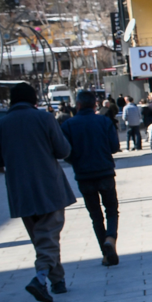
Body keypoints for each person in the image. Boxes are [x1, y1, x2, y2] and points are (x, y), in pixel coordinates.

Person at [0, 81, 76, 302]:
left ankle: (58, 282)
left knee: (42, 238)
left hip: (20, 191)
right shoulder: (44, 119)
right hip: (49, 187)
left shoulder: (0, 125)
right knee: (49, 236)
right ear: (34, 99)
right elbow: (64, 150)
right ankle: (40, 278)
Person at [60, 89, 121, 266]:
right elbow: (114, 146)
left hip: (84, 175)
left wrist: (77, 161)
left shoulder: (69, 125)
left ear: (78, 105)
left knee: (95, 215)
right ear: (95, 104)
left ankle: (105, 252)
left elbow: (65, 152)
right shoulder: (104, 121)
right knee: (111, 209)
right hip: (105, 172)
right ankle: (111, 238)